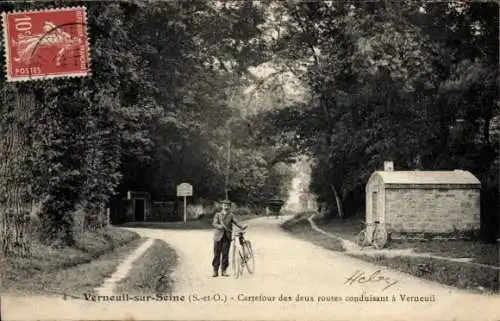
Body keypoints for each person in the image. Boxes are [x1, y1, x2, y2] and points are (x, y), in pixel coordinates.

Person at [211, 200, 247, 277]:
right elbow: (214, 223)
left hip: (227, 237)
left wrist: (242, 226)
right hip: (218, 237)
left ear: (230, 207)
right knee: (216, 254)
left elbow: (236, 222)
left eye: (228, 206)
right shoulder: (218, 215)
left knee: (225, 254)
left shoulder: (231, 215)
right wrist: (220, 226)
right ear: (222, 206)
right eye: (225, 205)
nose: (226, 207)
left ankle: (224, 271)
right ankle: (215, 271)